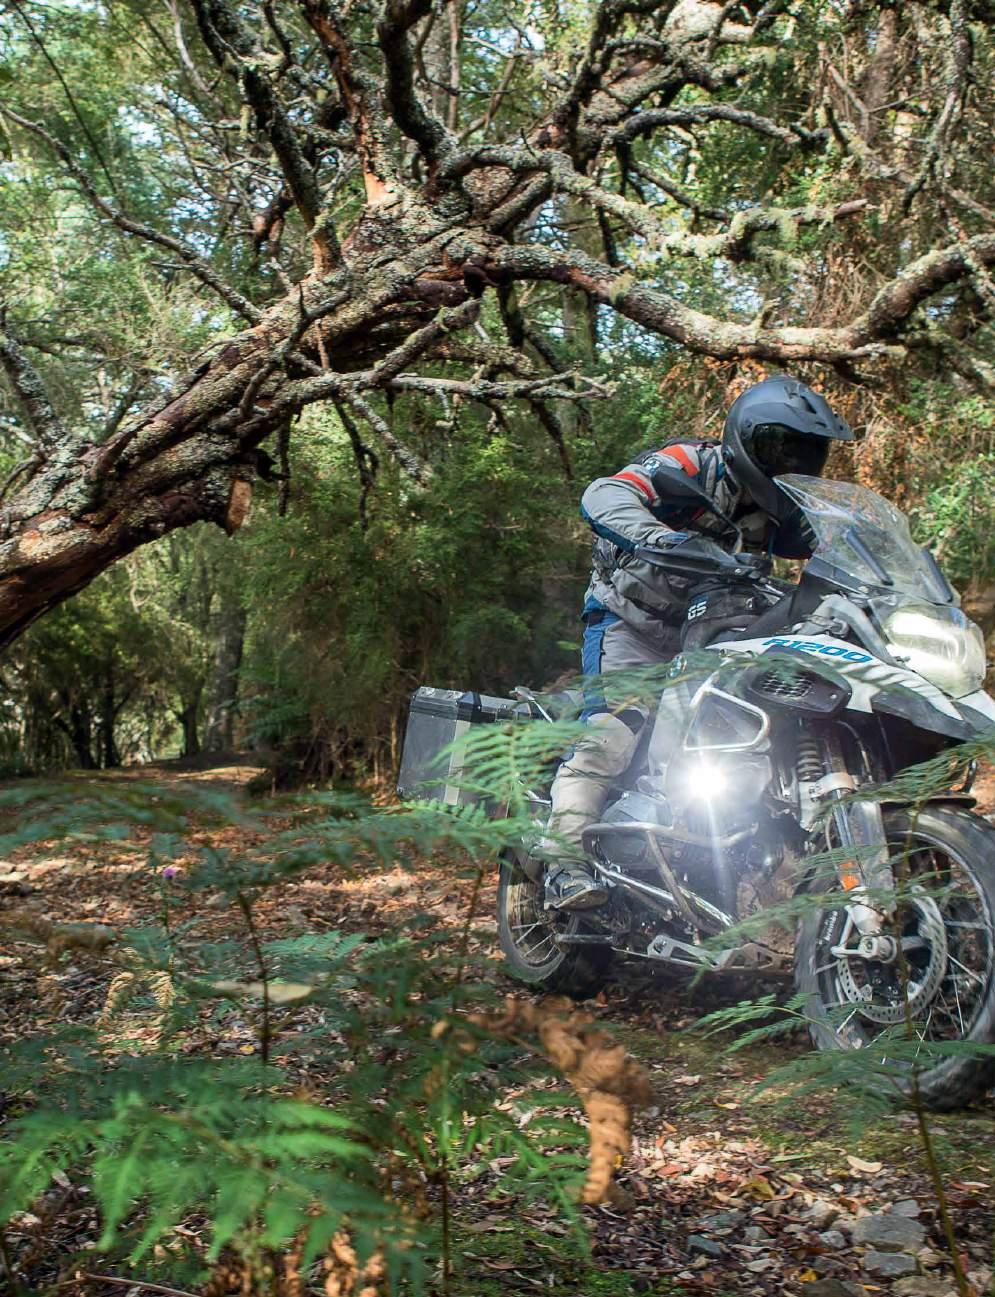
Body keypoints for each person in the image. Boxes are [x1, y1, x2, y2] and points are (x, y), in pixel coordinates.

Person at [539, 374, 854, 910]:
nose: (791, 463)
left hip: (717, 632)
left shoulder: (784, 508)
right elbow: (606, 493)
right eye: (781, 448)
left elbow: (834, 546)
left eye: (806, 453)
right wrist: (660, 538)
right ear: (745, 440)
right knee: (613, 734)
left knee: (759, 728)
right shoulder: (688, 465)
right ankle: (562, 862)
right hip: (635, 624)